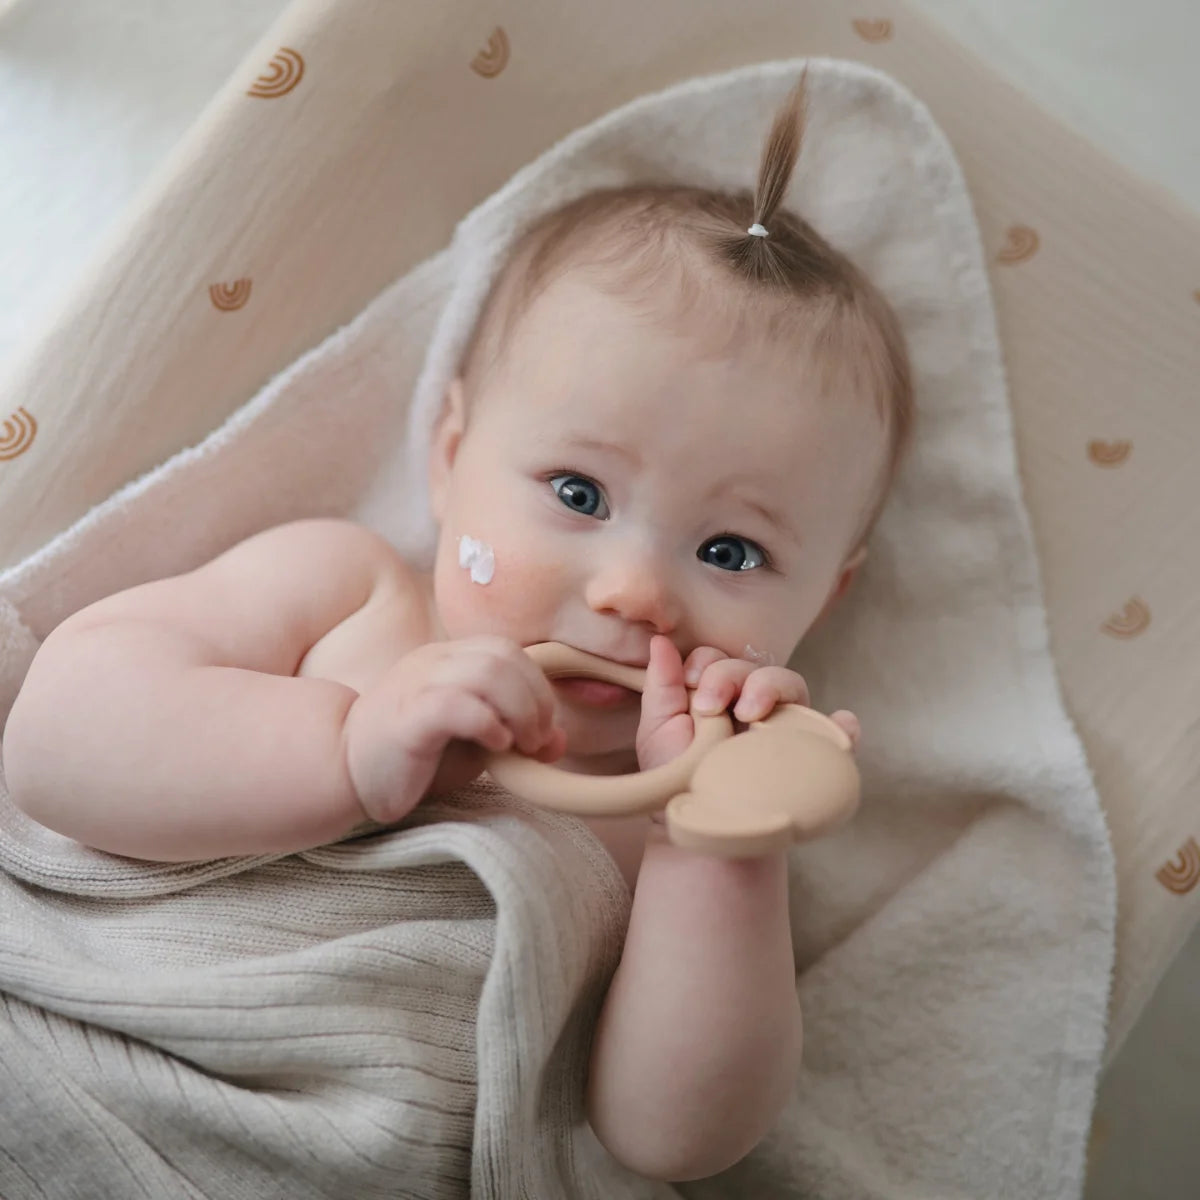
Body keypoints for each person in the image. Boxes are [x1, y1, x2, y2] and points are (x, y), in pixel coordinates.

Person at [3, 77, 912, 1182]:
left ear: (823, 601)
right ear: (447, 453)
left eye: (731, 553)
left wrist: (717, 847)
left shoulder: (689, 818)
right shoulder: (350, 592)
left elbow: (676, 1137)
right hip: (87, 1058)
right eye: (578, 493)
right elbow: (54, 738)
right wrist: (341, 748)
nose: (633, 592)